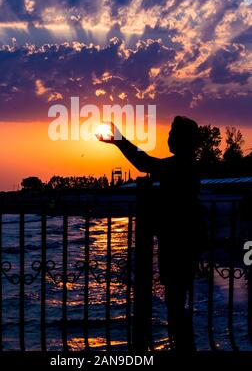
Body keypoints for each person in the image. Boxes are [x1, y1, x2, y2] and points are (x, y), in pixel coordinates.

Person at [97, 116, 205, 350]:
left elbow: (144, 163)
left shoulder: (180, 166)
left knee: (176, 306)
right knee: (177, 304)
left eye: (172, 134)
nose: (168, 138)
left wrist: (119, 140)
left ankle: (184, 349)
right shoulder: (187, 166)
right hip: (184, 245)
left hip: (177, 246)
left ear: (181, 140)